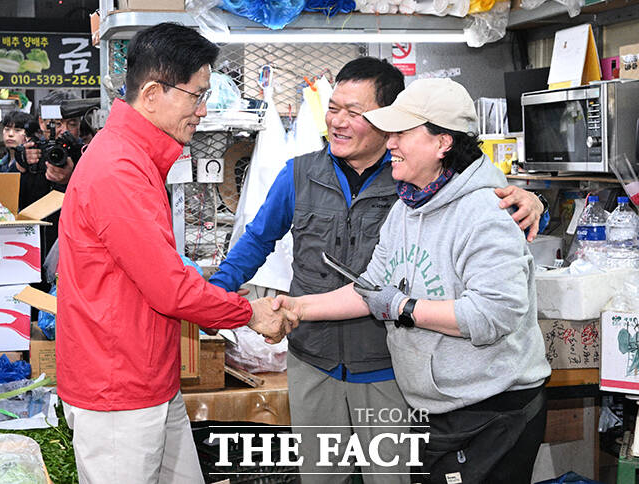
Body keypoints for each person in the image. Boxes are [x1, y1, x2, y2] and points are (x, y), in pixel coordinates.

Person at [209, 57, 547, 483]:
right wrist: (255, 302)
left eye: (355, 113)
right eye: (333, 108)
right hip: (329, 360)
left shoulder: (445, 194)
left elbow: (490, 296)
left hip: (423, 382)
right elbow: (365, 286)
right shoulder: (365, 189)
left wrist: (535, 203)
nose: (339, 121)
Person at [56, 22, 298, 484]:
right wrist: (248, 313)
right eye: (196, 96)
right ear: (152, 94)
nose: (203, 110)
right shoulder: (119, 169)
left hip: (147, 377)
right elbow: (168, 288)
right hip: (119, 391)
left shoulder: (135, 157)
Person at [0, 110, 34, 174]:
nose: (10, 134)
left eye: (17, 130)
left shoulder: (32, 163)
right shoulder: (2, 163)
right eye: (7, 129)